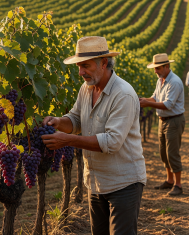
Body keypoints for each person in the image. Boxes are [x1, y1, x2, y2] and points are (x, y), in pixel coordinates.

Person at [41, 36, 146, 235]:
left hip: (124, 182)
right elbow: (76, 119)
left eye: (86, 66)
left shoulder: (122, 94)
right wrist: (58, 122)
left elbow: (112, 142)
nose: (81, 72)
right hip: (96, 181)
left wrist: (68, 141)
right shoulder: (86, 89)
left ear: (104, 63)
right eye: (79, 66)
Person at [139, 53, 185, 196]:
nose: (155, 71)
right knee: (163, 153)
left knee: (172, 153)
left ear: (167, 66)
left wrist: (147, 104)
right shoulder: (161, 80)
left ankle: (178, 185)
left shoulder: (174, 82)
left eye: (158, 68)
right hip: (163, 120)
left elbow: (168, 105)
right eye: (155, 68)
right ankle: (169, 180)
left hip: (174, 121)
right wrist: (143, 99)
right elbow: (155, 97)